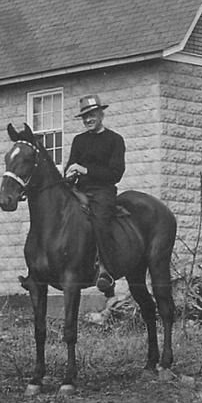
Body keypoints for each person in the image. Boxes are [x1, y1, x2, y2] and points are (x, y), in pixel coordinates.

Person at [64, 94, 126, 297]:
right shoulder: (79, 140)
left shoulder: (114, 140)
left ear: (101, 114)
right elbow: (71, 165)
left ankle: (106, 273)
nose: (88, 120)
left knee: (99, 222)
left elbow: (115, 174)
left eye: (91, 115)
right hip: (79, 190)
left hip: (103, 191)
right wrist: (70, 173)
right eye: (85, 117)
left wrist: (85, 170)